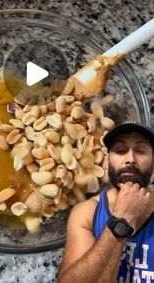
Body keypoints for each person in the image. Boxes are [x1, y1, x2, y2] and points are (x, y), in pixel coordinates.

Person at [57, 121, 154, 283]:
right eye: (121, 151)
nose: (130, 159)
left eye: (140, 151)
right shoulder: (87, 213)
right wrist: (122, 221)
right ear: (107, 161)